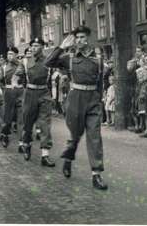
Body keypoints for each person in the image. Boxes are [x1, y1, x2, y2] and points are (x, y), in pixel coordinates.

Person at [45, 25, 108, 190]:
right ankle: (68, 157)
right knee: (75, 135)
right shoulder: (69, 57)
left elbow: (100, 80)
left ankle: (96, 174)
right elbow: (48, 62)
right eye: (77, 38)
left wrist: (99, 99)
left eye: (82, 37)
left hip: (93, 99)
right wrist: (60, 47)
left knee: (94, 136)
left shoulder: (98, 58)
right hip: (75, 99)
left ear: (88, 39)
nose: (79, 41)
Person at [14, 37, 55, 167]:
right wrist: (15, 83)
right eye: (32, 46)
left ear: (42, 47)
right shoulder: (25, 61)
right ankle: (27, 145)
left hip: (44, 94)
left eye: (37, 45)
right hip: (29, 94)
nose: (33, 48)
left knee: (45, 124)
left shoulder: (48, 60)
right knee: (27, 123)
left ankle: (45, 155)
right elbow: (17, 75)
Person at [0, 47, 24, 149]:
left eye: (11, 54)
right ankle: (5, 135)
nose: (9, 56)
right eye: (8, 54)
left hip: (20, 92)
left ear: (16, 55)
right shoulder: (3, 67)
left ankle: (21, 143)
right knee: (8, 118)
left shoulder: (22, 65)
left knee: (21, 119)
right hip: (9, 93)